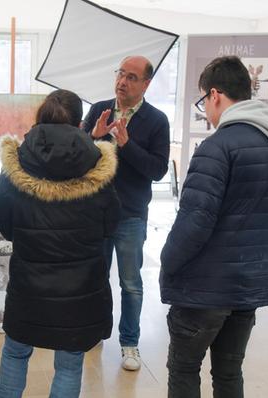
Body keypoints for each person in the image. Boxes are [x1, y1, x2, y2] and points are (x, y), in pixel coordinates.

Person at [129, 56, 268, 398]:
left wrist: (168, 262)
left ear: (217, 95)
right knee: (229, 372)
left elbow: (194, 223)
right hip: (248, 286)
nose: (205, 110)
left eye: (204, 101)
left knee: (184, 368)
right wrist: (253, 257)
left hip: (204, 289)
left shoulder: (217, 148)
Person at [0, 89, 120, 398]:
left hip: (29, 278)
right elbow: (112, 222)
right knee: (71, 358)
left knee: (15, 350)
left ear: (40, 118)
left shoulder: (17, 163)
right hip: (81, 285)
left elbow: (5, 223)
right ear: (80, 121)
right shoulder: (100, 164)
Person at [82, 55, 170, 371]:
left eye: (131, 77)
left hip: (131, 214)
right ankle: (95, 330)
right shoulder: (99, 109)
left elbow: (158, 170)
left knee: (130, 282)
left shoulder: (157, 120)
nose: (122, 81)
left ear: (146, 84)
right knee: (96, 278)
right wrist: (92, 136)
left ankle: (129, 343)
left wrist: (127, 145)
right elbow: (77, 154)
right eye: (120, 73)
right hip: (96, 211)